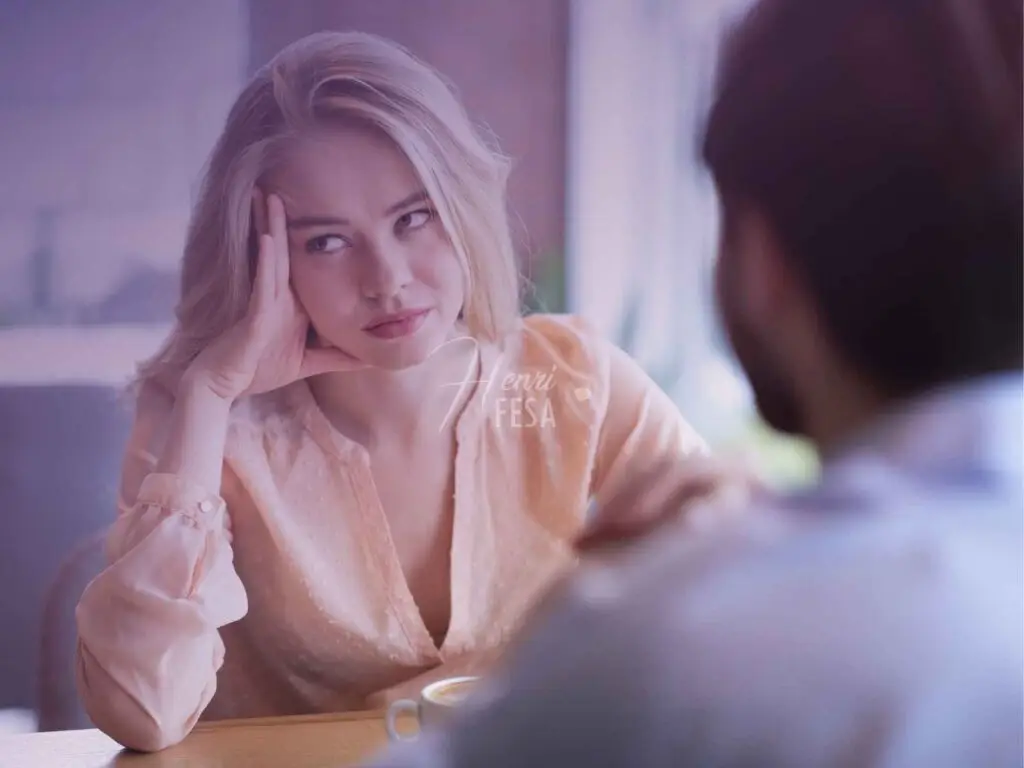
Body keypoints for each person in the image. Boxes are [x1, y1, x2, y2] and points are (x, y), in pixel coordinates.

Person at [365, 0, 1024, 765]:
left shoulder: (683, 643)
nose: (383, 278)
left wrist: (591, 624)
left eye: (414, 219)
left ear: (761, 262)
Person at [73, 31, 729, 753]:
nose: (386, 277)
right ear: (262, 257)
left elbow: (749, 588)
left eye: (413, 219)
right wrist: (211, 392)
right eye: (327, 241)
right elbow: (144, 711)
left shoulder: (574, 381)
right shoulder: (201, 417)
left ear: (461, 206)